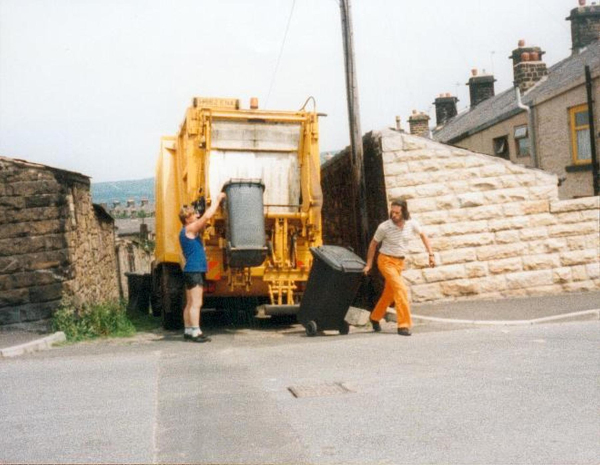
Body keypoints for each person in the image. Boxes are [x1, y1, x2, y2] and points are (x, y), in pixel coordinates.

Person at [363, 198, 435, 336]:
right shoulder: (384, 227)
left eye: (397, 213)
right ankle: (403, 325)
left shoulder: (412, 224)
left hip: (399, 263)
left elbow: (423, 236)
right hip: (385, 261)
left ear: (404, 212)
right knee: (401, 289)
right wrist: (369, 264)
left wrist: (431, 254)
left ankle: (375, 317)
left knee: (389, 293)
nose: (394, 215)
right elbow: (373, 245)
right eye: (392, 212)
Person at [178, 192, 226, 342]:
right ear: (187, 218)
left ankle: (187, 330)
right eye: (193, 215)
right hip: (194, 270)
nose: (196, 216)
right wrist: (217, 201)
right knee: (197, 303)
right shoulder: (190, 229)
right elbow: (206, 217)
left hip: (190, 270)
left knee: (190, 303)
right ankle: (196, 332)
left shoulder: (184, 232)